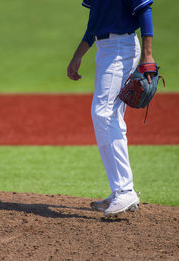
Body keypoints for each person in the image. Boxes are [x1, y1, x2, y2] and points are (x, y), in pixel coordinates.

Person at [67, 0, 156, 217]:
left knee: (103, 113)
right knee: (110, 116)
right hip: (105, 50)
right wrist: (78, 54)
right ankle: (121, 189)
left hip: (120, 48)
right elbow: (95, 22)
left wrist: (147, 55)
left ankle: (124, 190)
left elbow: (144, 10)